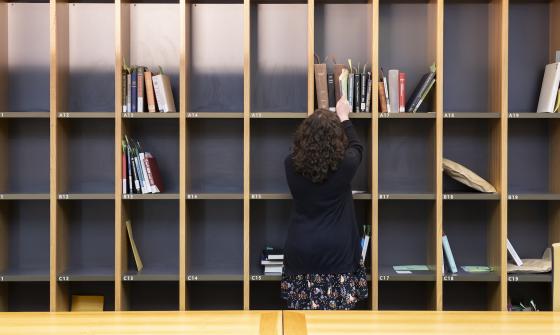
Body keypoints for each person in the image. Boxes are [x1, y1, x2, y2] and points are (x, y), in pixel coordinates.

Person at [281, 97, 368, 310]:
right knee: (336, 327)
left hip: (301, 250)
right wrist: (344, 117)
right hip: (337, 252)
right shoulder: (345, 164)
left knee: (301, 324)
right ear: (337, 138)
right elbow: (357, 146)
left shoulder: (290, 165)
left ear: (303, 136)